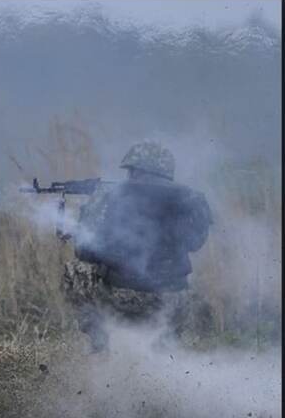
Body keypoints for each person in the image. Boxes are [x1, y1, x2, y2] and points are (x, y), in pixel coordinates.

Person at [63, 140, 213, 352]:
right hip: (173, 300)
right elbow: (195, 244)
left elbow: (85, 250)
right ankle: (167, 342)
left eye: (131, 171)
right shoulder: (189, 198)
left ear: (137, 170)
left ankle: (100, 342)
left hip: (123, 295)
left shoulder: (111, 195)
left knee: (76, 270)